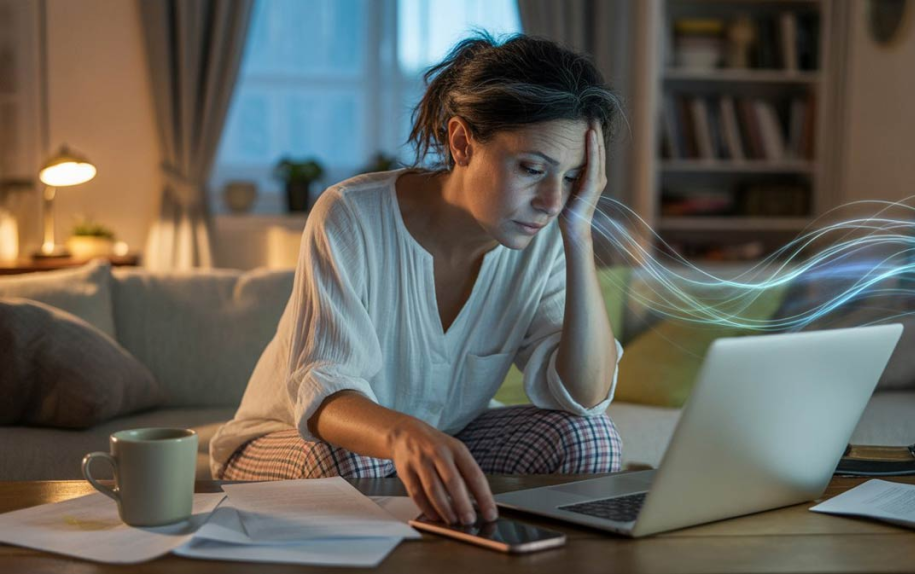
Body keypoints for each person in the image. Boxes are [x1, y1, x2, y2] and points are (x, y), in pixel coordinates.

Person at [210, 33, 625, 527]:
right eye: (533, 169)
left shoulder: (549, 233)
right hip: (288, 439)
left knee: (590, 439)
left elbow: (583, 396)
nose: (552, 201)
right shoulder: (351, 215)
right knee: (356, 464)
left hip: (438, 437)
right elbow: (325, 393)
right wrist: (402, 434)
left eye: (573, 178)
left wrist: (578, 233)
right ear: (461, 142)